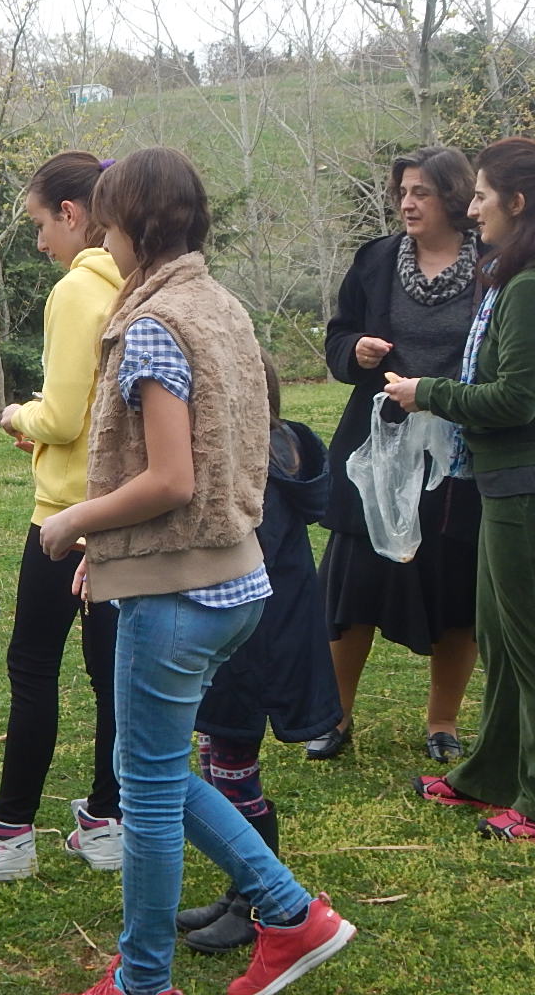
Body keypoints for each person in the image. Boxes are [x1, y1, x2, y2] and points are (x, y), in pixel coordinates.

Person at [38, 147, 355, 995]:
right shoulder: (219, 305)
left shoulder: (153, 324)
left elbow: (172, 479)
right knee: (151, 770)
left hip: (175, 592)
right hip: (236, 582)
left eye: (108, 227)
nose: (103, 243)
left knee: (146, 796)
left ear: (133, 228)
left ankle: (146, 979)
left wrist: (74, 524)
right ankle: (288, 913)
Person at [386, 137, 535, 842]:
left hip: (532, 486)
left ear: (517, 202)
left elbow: (514, 399)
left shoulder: (533, 288)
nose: (472, 209)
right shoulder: (523, 278)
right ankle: (491, 775)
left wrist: (427, 392)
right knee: (503, 641)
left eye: (481, 196)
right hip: (506, 482)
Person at [0, 152, 125, 882]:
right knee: (110, 676)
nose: (39, 242)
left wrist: (18, 414)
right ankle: (110, 821)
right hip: (124, 512)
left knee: (33, 665)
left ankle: (10, 834)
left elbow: (63, 417)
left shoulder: (77, 291)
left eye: (40, 224)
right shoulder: (137, 281)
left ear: (71, 214)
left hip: (68, 515)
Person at [308, 146, 483, 766]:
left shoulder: (493, 265)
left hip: (458, 454)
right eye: (403, 192)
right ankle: (334, 715)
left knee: (456, 588)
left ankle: (443, 722)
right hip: (376, 447)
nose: (407, 204)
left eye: (422, 193)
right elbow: (338, 335)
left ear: (454, 198)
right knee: (353, 585)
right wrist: (354, 349)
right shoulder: (377, 259)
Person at [174, 354, 341, 955]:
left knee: (233, 762)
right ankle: (241, 886)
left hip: (254, 641)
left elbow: (236, 554)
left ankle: (260, 901)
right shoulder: (278, 446)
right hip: (258, 635)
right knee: (220, 755)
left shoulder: (253, 466)